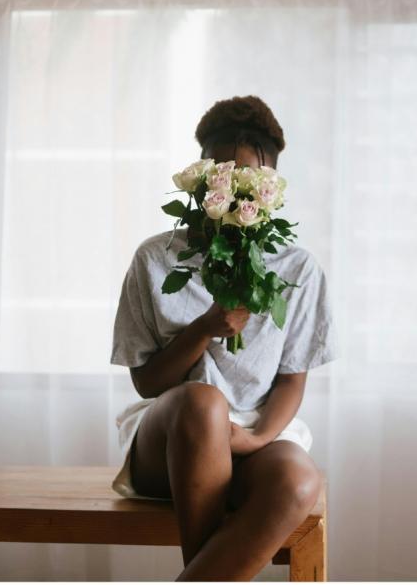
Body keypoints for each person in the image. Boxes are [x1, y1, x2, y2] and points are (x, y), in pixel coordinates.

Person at [110, 95, 338, 581]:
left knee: (300, 481)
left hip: (251, 435)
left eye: (247, 177)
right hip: (172, 437)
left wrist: (255, 437)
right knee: (204, 404)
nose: (233, 189)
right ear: (202, 176)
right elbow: (147, 384)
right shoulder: (155, 259)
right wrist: (205, 329)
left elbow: (291, 381)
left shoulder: (297, 269)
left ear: (270, 185)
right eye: (220, 173)